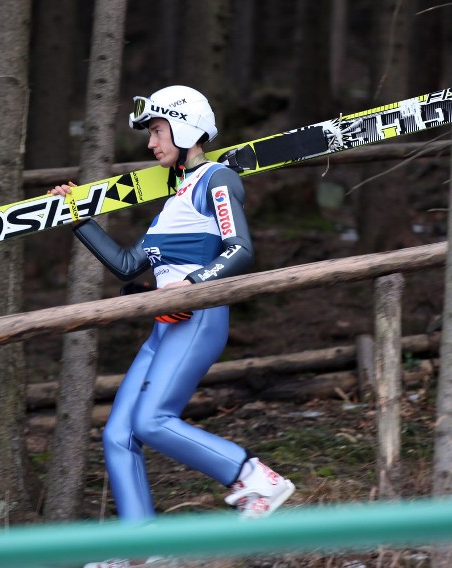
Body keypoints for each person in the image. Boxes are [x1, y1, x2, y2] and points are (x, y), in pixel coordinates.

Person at [49, 86, 295, 564]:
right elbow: (125, 265)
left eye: (157, 131)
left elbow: (239, 248)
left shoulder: (216, 180)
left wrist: (193, 284)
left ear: (185, 129)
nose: (151, 143)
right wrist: (79, 217)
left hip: (199, 317)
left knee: (151, 420)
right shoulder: (174, 199)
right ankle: (145, 553)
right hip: (164, 325)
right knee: (118, 435)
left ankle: (254, 477)